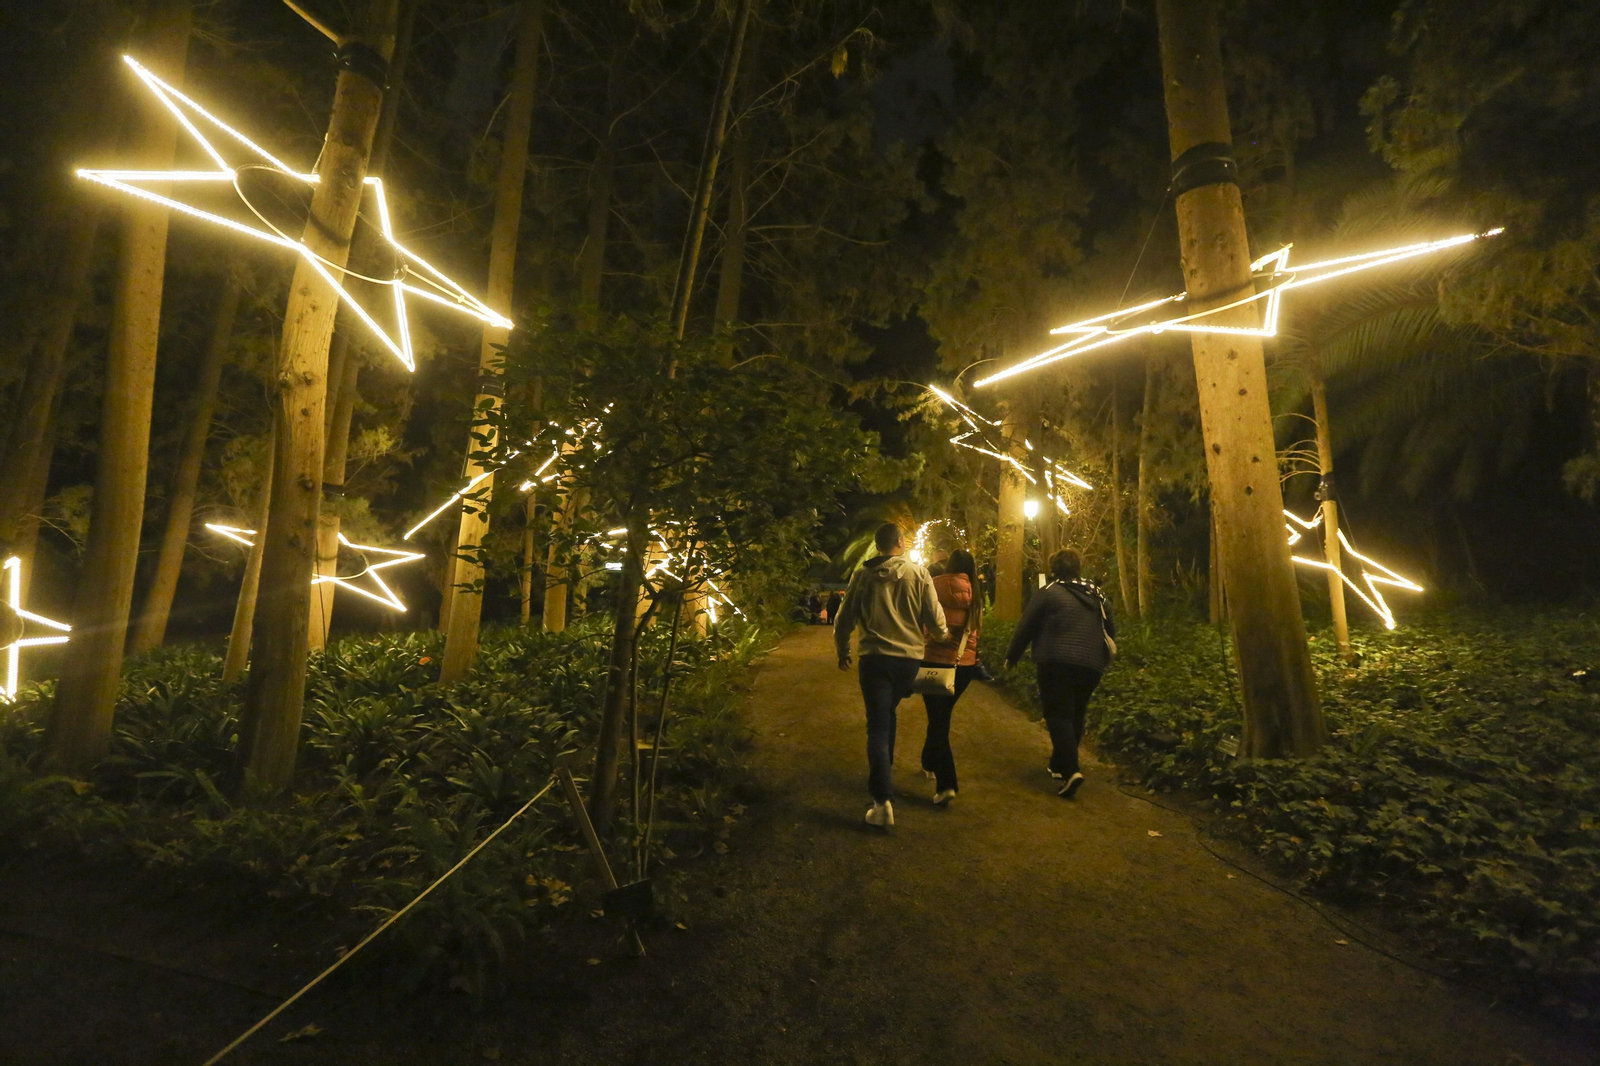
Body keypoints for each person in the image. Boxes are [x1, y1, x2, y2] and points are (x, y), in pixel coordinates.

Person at [834, 522, 948, 827]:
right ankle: (885, 773)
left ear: (878, 545)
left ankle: (882, 800)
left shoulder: (862, 575)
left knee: (878, 726)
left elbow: (843, 618)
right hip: (908, 662)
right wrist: (940, 636)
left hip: (874, 660)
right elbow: (936, 620)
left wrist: (842, 649)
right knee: (888, 714)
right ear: (899, 542)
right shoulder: (920, 573)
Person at [1003, 548, 1115, 798]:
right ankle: (1058, 763)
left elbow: (1027, 625)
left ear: (1055, 569)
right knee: (1076, 712)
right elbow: (1111, 629)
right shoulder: (1098, 596)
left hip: (1056, 660)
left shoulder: (1050, 592)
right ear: (1078, 568)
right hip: (1092, 664)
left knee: (1057, 714)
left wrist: (1012, 655)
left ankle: (1071, 771)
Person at [919, 548, 982, 805]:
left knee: (938, 720)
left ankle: (947, 784)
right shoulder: (976, 592)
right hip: (964, 665)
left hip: (935, 661)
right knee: (940, 718)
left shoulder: (934, 585)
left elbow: (923, 621)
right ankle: (928, 760)